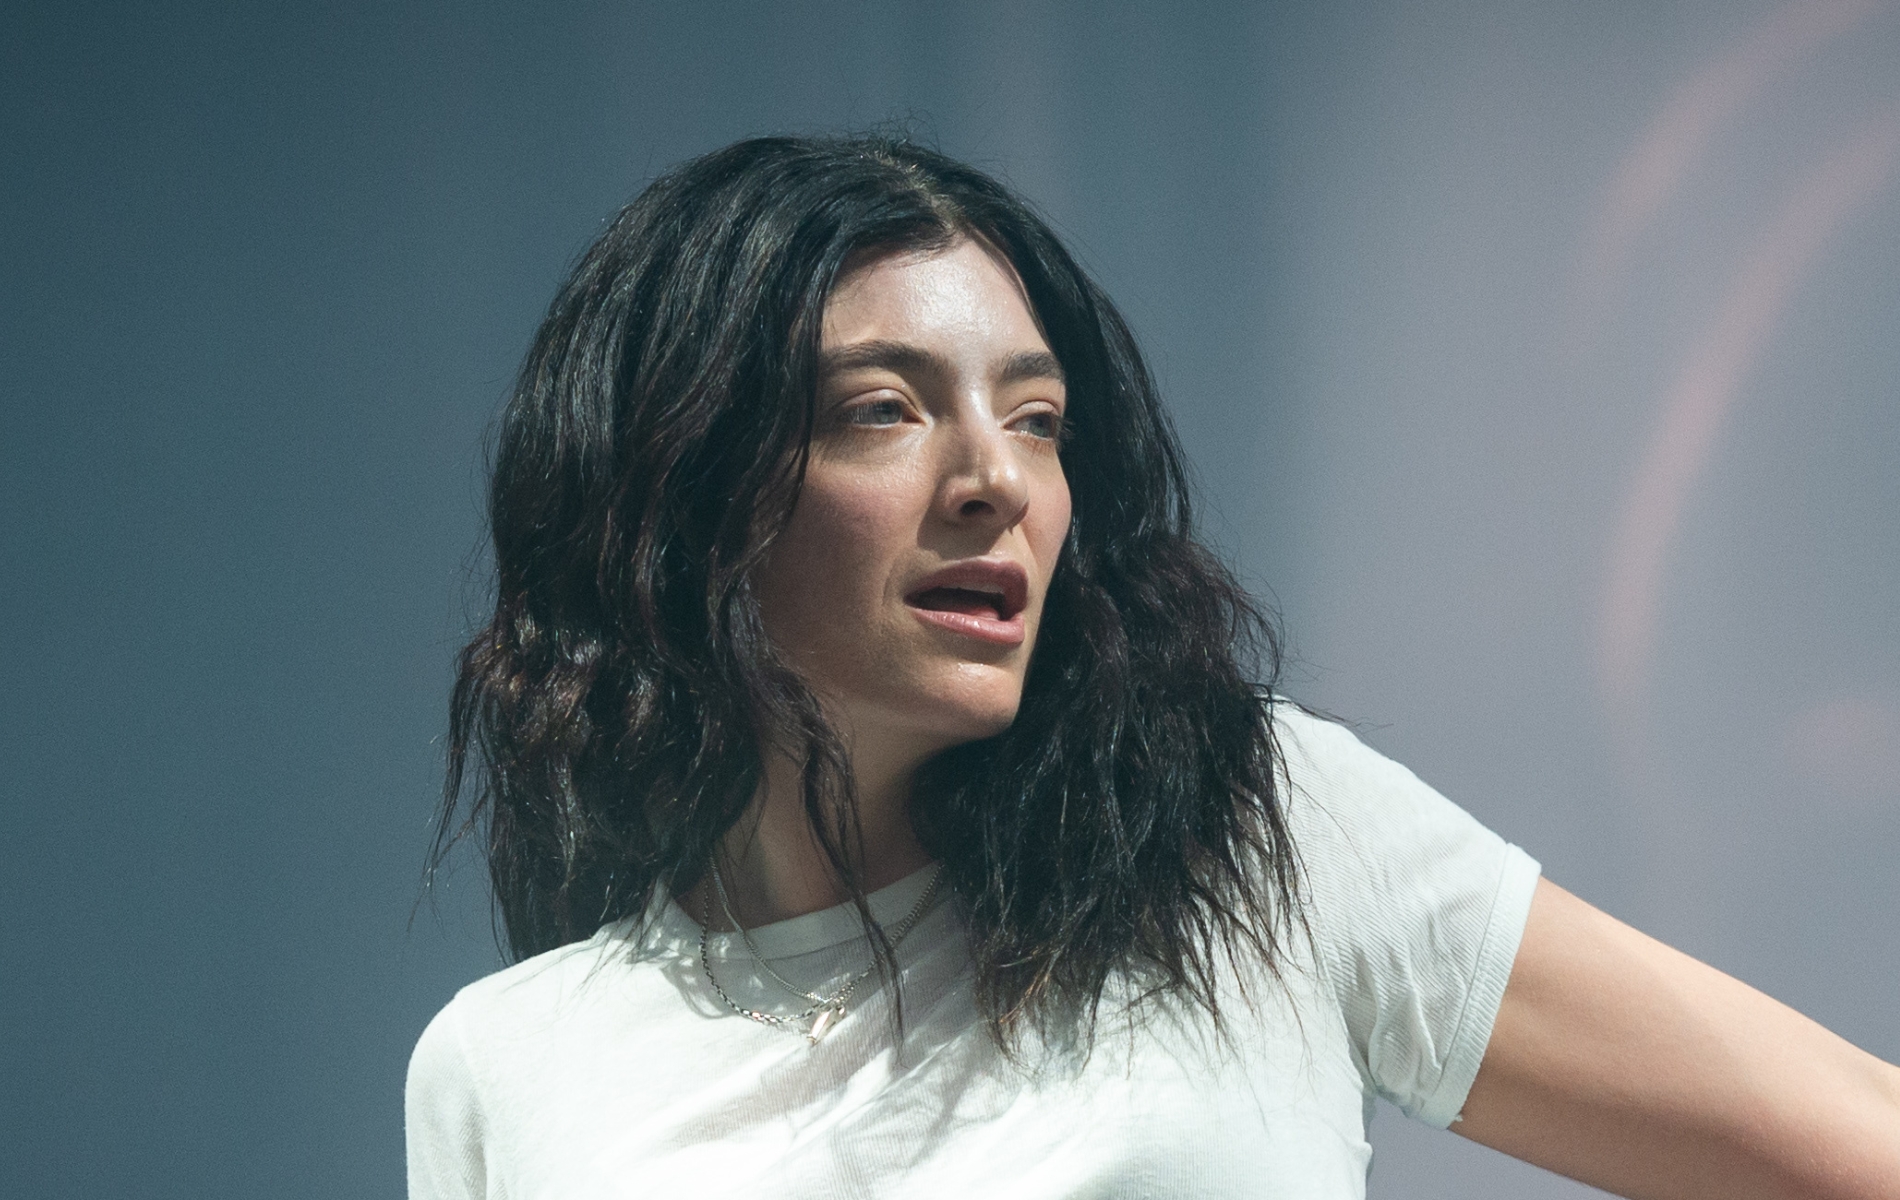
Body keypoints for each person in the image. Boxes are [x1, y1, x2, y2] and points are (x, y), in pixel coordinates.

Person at [405, 134, 1900, 1199]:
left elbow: (1855, 1144)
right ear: (685, 492)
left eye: (1040, 418)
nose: (997, 479)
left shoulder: (1256, 835)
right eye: (884, 409)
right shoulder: (507, 1068)